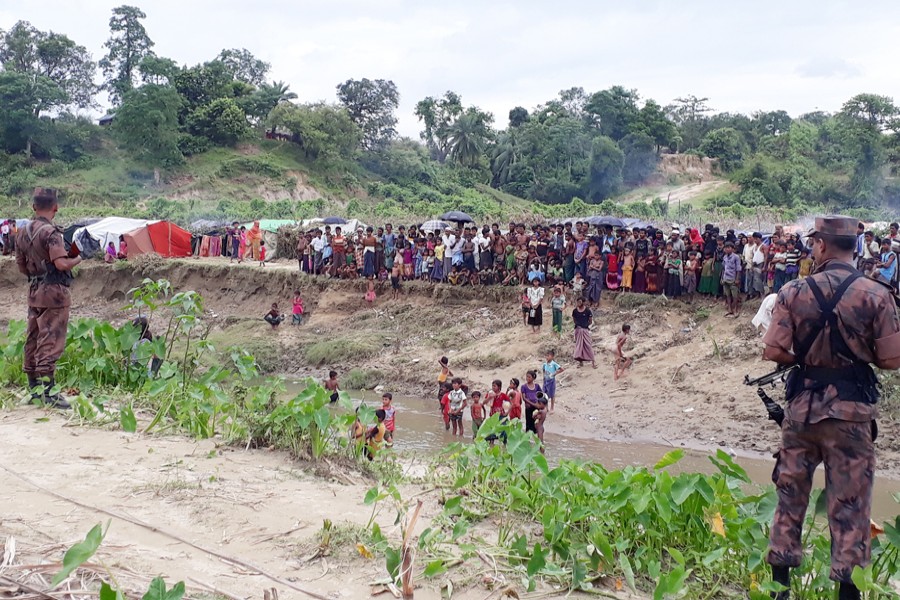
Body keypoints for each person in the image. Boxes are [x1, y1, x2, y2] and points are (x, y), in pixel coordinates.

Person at [763, 216, 900, 600]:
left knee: (790, 496)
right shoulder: (876, 294)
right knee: (851, 504)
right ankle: (846, 592)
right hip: (851, 416)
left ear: (821, 245)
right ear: (853, 247)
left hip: (802, 410)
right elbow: (891, 360)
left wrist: (806, 358)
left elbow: (772, 350)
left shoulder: (793, 292)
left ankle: (780, 590)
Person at [16, 188, 82, 409]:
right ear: (55, 207)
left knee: (33, 338)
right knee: (51, 340)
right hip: (54, 293)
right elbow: (62, 264)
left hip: (34, 291)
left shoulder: (22, 232)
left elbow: (21, 267)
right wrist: (77, 259)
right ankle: (49, 392)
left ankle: (34, 388)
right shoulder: (51, 233)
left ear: (34, 207)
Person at [572, 297, 596, 368]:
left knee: (588, 345)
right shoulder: (575, 311)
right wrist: (579, 326)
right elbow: (574, 320)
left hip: (585, 330)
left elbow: (590, 321)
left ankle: (593, 362)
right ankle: (580, 362)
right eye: (577, 302)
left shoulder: (587, 311)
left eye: (579, 302)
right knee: (579, 346)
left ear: (583, 302)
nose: (578, 303)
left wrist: (585, 326)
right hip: (578, 330)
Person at [721, 242, 743, 317]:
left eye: (729, 247)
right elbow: (724, 268)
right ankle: (729, 309)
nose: (727, 249)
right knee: (727, 295)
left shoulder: (736, 257)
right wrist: (722, 278)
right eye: (726, 248)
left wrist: (737, 279)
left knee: (735, 295)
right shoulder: (724, 257)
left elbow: (738, 269)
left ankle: (735, 309)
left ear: (732, 249)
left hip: (733, 278)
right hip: (725, 278)